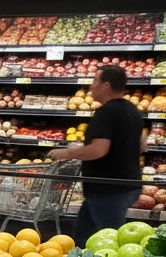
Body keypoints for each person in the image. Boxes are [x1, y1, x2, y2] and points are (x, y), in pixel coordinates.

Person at [49, 64, 143, 242]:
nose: (91, 86)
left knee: (110, 241)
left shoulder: (105, 112)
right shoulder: (133, 110)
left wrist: (67, 152)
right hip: (124, 185)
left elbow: (98, 150)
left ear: (106, 85)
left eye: (94, 81)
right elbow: (142, 145)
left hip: (108, 190)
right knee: (81, 236)